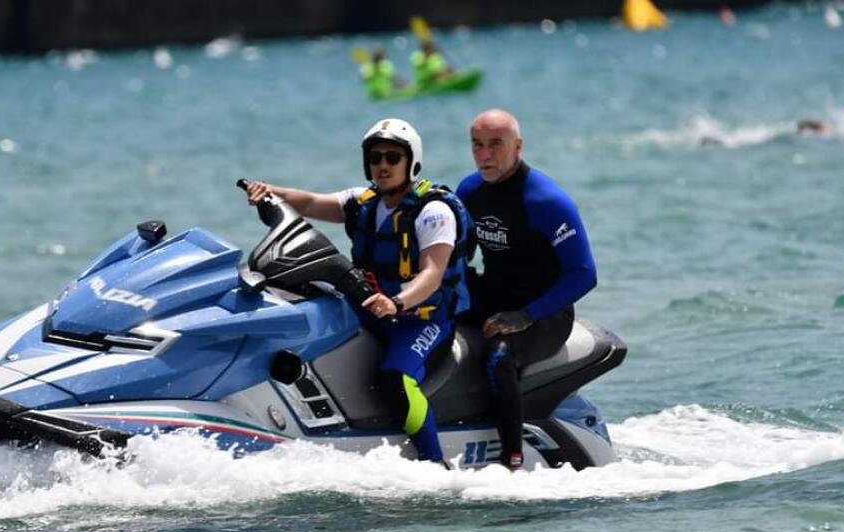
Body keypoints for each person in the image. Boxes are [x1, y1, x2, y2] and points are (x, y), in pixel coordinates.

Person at [245, 119, 474, 465]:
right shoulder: (362, 202)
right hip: (371, 313)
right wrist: (269, 191)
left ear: (411, 162)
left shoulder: (433, 212)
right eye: (376, 157)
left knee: (396, 378)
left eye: (393, 157)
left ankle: (434, 462)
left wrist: (396, 302)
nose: (383, 165)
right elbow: (307, 202)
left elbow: (431, 275)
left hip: (422, 321)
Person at [455, 109, 598, 471]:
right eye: (477, 145)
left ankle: (512, 460)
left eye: (495, 145)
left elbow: (584, 274)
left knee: (501, 358)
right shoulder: (469, 191)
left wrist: (524, 316)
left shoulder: (547, 201)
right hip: (495, 294)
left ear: (517, 147)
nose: (484, 154)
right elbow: (458, 258)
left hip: (545, 311)